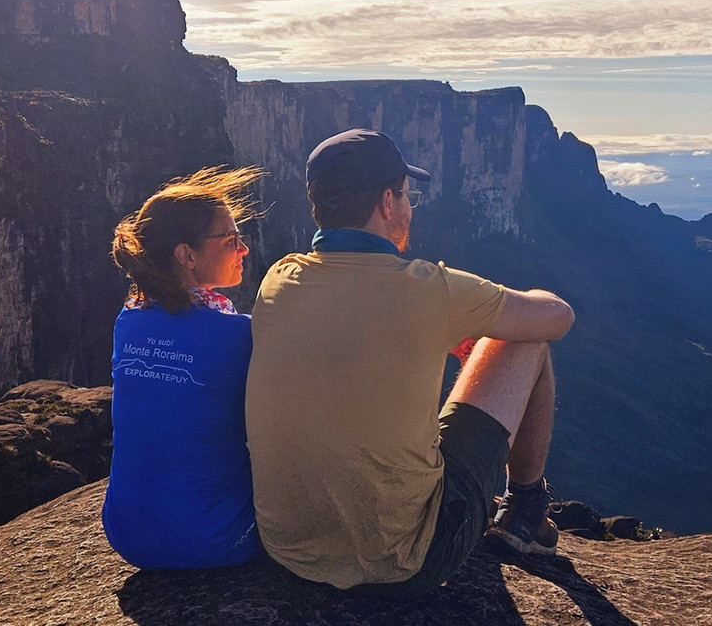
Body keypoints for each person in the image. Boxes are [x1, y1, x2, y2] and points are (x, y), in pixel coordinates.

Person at [247, 128, 574, 597]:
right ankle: (525, 511)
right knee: (528, 341)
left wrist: (440, 333)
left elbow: (347, 327)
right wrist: (466, 326)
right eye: (407, 194)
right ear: (387, 201)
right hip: (405, 563)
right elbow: (557, 318)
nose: (409, 206)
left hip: (288, 554)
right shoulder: (430, 291)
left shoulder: (278, 280)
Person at [102, 165, 265, 569]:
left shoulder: (129, 322)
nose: (244, 249)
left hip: (126, 535)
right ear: (185, 255)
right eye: (231, 239)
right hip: (218, 541)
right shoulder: (239, 336)